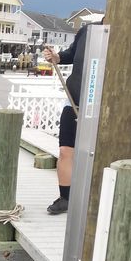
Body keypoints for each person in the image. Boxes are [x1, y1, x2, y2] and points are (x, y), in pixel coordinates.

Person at [42, 23, 91, 214]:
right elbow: (71, 54)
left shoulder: (124, 31)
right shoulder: (87, 31)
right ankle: (66, 198)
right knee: (65, 151)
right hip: (73, 101)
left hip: (104, 107)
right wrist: (57, 57)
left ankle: (96, 197)